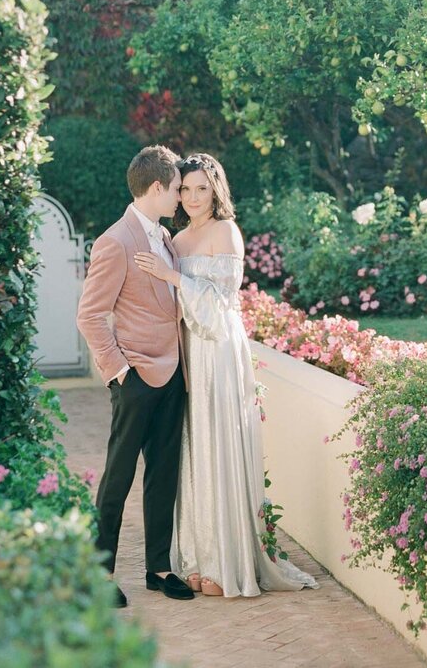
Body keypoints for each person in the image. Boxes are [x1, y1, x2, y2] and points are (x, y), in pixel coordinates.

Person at [134, 152, 317, 598]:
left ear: (216, 190)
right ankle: (198, 558)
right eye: (187, 189)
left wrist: (172, 278)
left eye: (202, 188)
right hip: (189, 354)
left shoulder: (225, 232)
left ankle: (227, 561)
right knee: (196, 449)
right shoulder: (175, 238)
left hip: (218, 349)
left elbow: (219, 307)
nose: (194, 197)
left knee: (220, 444)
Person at [75, 144, 195, 607]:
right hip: (136, 379)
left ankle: (158, 569)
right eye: (177, 190)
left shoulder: (164, 238)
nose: (181, 199)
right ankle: (100, 573)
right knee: (118, 477)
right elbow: (90, 316)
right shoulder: (115, 241)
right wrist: (119, 372)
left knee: (163, 474)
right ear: (157, 187)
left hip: (173, 377)